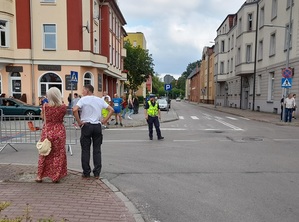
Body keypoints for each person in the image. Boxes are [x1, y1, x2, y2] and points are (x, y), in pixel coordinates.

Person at [73, 84, 114, 179]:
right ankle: (97, 173)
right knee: (97, 150)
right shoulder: (99, 100)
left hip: (86, 125)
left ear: (87, 91)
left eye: (83, 90)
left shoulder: (83, 99)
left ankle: (86, 172)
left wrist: (79, 122)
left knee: (85, 150)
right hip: (97, 126)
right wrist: (104, 120)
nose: (82, 92)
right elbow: (111, 110)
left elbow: (75, 109)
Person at [35, 87, 67, 183]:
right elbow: (62, 117)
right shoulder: (63, 107)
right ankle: (55, 176)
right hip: (59, 130)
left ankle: (40, 176)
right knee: (58, 154)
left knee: (44, 152)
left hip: (47, 130)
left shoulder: (45, 106)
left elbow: (42, 117)